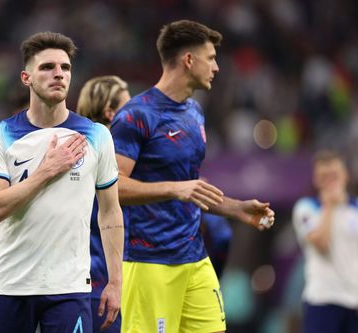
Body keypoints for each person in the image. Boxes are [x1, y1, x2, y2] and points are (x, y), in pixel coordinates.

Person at [109, 20, 275, 333]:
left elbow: (192, 187)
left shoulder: (194, 114)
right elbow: (113, 186)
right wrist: (175, 189)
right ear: (189, 60)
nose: (216, 66)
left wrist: (235, 208)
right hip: (149, 262)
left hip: (195, 258)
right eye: (211, 58)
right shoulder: (136, 115)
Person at [0, 32, 124, 333]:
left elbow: (110, 212)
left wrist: (115, 282)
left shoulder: (96, 136)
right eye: (47, 67)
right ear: (26, 77)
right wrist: (47, 169)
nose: (58, 74)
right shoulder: (0, 134)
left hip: (69, 288)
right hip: (11, 284)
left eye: (65, 67)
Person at [76, 75, 131, 332]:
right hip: (103, 284)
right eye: (127, 104)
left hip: (84, 284)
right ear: (110, 112)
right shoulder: (113, 158)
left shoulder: (73, 151)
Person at [292, 150, 358, 333]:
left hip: (354, 301)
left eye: (334, 176)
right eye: (324, 177)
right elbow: (321, 243)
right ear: (316, 180)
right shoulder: (306, 208)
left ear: (345, 175)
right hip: (323, 299)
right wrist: (329, 205)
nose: (330, 182)